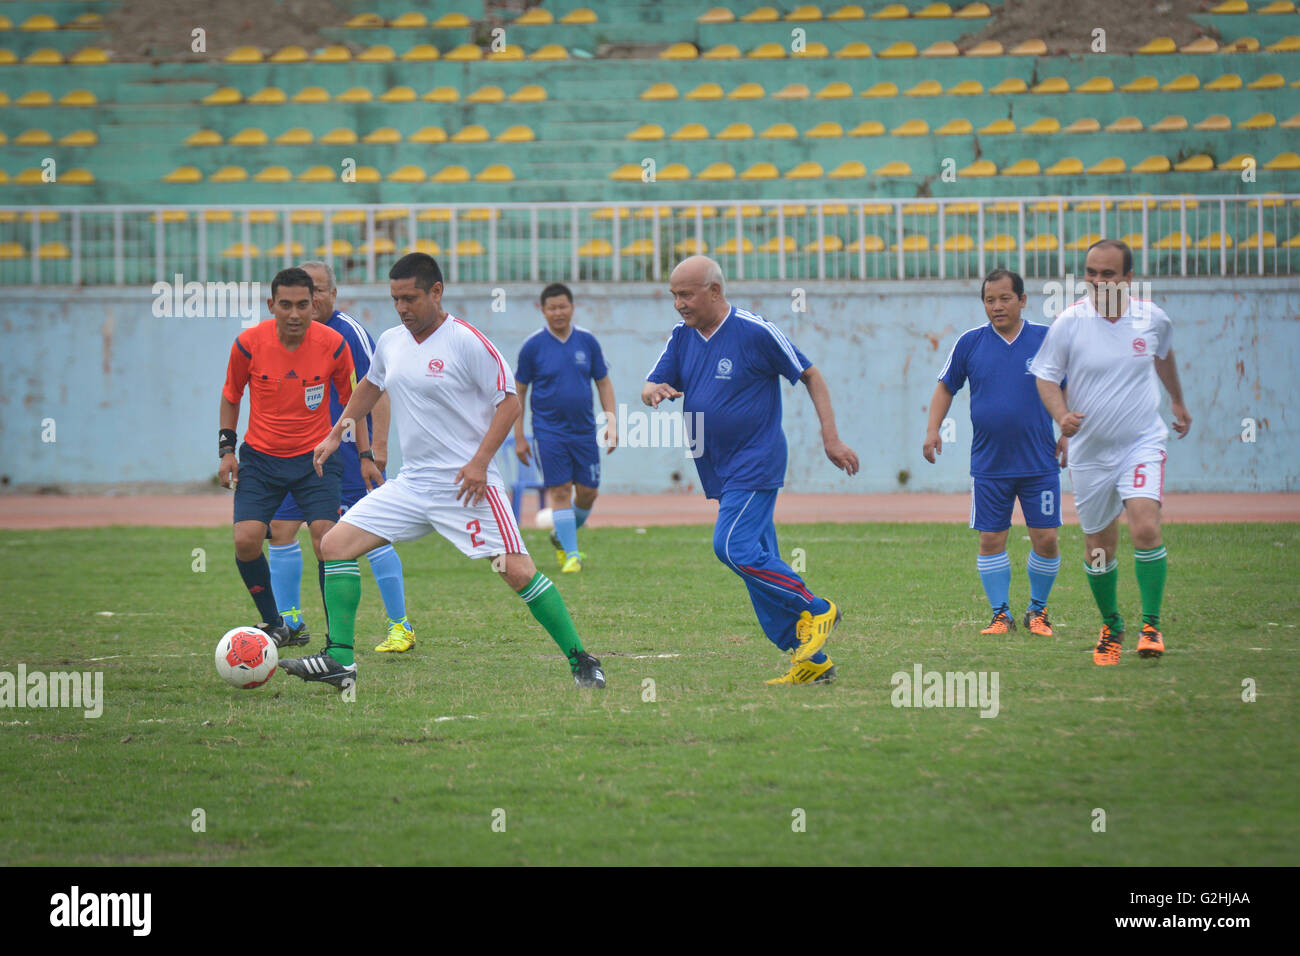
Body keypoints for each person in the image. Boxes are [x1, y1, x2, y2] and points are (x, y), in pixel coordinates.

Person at [281, 253, 605, 691]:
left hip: (467, 486)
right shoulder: (392, 341)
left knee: (517, 571)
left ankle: (581, 659)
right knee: (334, 544)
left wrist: (478, 464)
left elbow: (509, 402)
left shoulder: (467, 342)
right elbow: (371, 385)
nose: (402, 308)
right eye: (395, 299)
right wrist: (339, 432)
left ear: (436, 292)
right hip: (413, 484)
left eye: (410, 298)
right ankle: (340, 659)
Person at [642, 255, 859, 685]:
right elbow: (652, 381)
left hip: (755, 462)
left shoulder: (754, 332)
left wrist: (830, 438)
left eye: (686, 294)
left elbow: (811, 375)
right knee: (760, 563)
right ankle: (809, 660)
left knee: (732, 548)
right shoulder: (681, 337)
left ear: (715, 291)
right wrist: (652, 391)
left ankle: (817, 609)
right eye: (673, 295)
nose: (678, 304)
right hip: (717, 469)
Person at [1030, 239, 1192, 666]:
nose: (1098, 281)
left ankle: (1152, 625)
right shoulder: (1069, 323)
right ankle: (1112, 625)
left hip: (1141, 443)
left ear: (1128, 278)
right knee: (1099, 547)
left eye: (1108, 274)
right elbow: (1045, 376)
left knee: (1144, 528)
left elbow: (1163, 357)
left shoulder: (1151, 319)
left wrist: (1176, 400)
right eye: (1091, 273)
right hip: (1089, 453)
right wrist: (1060, 415)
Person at [218, 267, 380, 648]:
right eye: (286, 305)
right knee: (246, 541)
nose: (294, 314)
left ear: (315, 304)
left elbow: (355, 401)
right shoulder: (248, 344)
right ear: (271, 304)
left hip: (316, 461)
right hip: (260, 459)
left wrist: (366, 454)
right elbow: (231, 395)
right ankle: (275, 624)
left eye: (303, 305)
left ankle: (335, 639)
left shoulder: (334, 345)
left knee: (327, 540)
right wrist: (226, 450)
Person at [266, 261, 416, 653]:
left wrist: (376, 449)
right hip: (295, 452)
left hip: (347, 453)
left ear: (333, 294)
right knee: (281, 529)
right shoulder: (289, 334)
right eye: (305, 289)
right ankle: (290, 622)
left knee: (368, 531)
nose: (311, 298)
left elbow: (377, 390)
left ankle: (400, 625)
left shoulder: (350, 334)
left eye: (318, 290)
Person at [923, 269, 1065, 637]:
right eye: (990, 300)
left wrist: (1068, 431)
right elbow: (945, 388)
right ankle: (1001, 614)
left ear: (1022, 300)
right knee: (991, 539)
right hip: (989, 464)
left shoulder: (1046, 339)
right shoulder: (970, 343)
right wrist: (932, 430)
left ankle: (1038, 611)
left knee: (1046, 537)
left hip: (1039, 463)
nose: (997, 306)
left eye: (1004, 298)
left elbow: (1071, 387)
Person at [513, 282, 617, 573]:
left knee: (587, 492)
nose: (558, 312)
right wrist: (519, 436)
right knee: (559, 490)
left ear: (572, 308)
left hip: (583, 431)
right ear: (543, 310)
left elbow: (603, 382)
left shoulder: (587, 342)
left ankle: (561, 535)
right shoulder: (532, 346)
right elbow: (518, 391)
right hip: (549, 431)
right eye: (552, 308)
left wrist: (611, 422)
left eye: (563, 307)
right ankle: (572, 556)